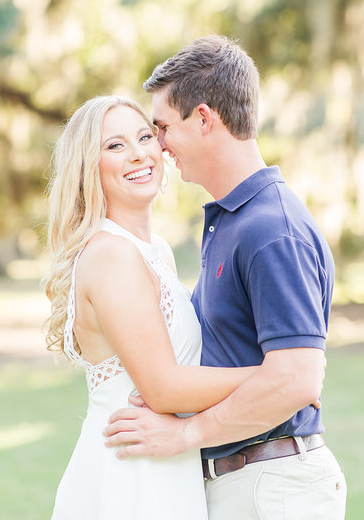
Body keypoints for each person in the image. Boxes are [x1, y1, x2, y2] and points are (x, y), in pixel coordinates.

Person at [103, 36, 347, 520]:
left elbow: (297, 379)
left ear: (203, 118)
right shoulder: (233, 220)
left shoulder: (271, 229)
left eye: (163, 128)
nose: (159, 146)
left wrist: (185, 434)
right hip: (244, 485)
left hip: (272, 489)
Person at [44, 95, 259, 520]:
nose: (139, 153)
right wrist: (275, 376)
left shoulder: (155, 250)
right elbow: (164, 387)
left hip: (167, 464)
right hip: (129, 475)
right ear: (88, 168)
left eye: (145, 137)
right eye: (115, 145)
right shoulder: (111, 254)